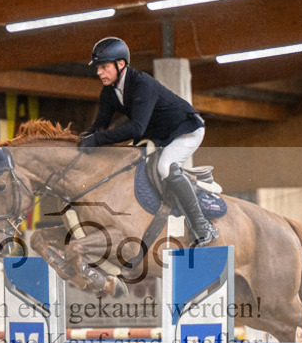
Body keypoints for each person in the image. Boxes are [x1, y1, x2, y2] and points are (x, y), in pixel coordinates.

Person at [79, 37, 218, 246]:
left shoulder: (142, 84)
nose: (99, 72)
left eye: (104, 67)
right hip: (161, 137)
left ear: (121, 64)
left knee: (165, 166)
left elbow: (136, 128)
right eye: (98, 67)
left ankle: (202, 226)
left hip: (186, 130)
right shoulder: (108, 92)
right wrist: (78, 141)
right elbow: (99, 127)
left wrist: (96, 139)